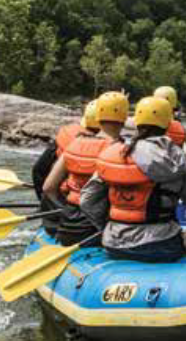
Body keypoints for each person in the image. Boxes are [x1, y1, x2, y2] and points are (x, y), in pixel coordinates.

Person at [81, 94, 186, 261]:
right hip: (160, 243)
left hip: (113, 242)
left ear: (137, 121)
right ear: (167, 123)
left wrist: (108, 227)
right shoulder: (178, 158)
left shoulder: (114, 153)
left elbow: (86, 200)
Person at [40, 91, 128, 244]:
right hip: (97, 230)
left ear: (98, 117)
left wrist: (65, 210)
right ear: (124, 119)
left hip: (68, 225)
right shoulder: (121, 150)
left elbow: (48, 188)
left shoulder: (76, 143)